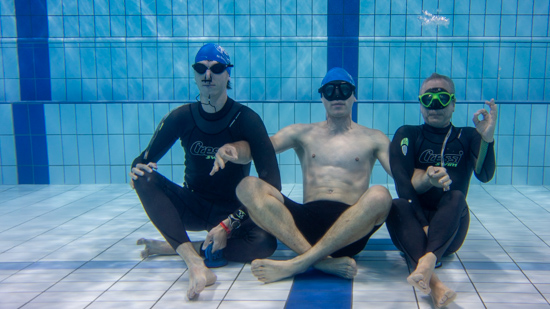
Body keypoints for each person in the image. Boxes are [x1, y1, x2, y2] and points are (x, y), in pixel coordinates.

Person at [211, 67, 393, 283]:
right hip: (306, 225)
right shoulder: (302, 133)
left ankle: (298, 263)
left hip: (351, 231)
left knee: (381, 194)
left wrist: (429, 176)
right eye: (330, 91)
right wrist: (232, 149)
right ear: (322, 97)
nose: (337, 96)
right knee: (247, 186)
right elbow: (261, 148)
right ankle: (322, 262)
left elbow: (401, 176)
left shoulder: (374, 138)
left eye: (344, 90)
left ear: (354, 95)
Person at [129, 43, 281, 299]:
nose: (207, 75)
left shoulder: (247, 119)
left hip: (233, 211)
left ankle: (176, 247)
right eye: (201, 69)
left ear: (228, 74)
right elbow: (142, 159)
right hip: (194, 207)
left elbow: (272, 184)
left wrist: (228, 225)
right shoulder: (181, 117)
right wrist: (137, 170)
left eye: (216, 68)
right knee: (143, 176)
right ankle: (194, 262)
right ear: (195, 74)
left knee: (266, 243)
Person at [386, 73, 497, 308]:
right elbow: (402, 184)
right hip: (414, 226)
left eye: (442, 98)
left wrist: (487, 139)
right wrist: (423, 226)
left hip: (451, 229)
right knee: (395, 204)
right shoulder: (407, 134)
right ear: (420, 104)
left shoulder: (468, 136)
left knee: (456, 196)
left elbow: (484, 175)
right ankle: (434, 279)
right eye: (428, 99)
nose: (434, 105)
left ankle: (426, 261)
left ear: (454, 104)